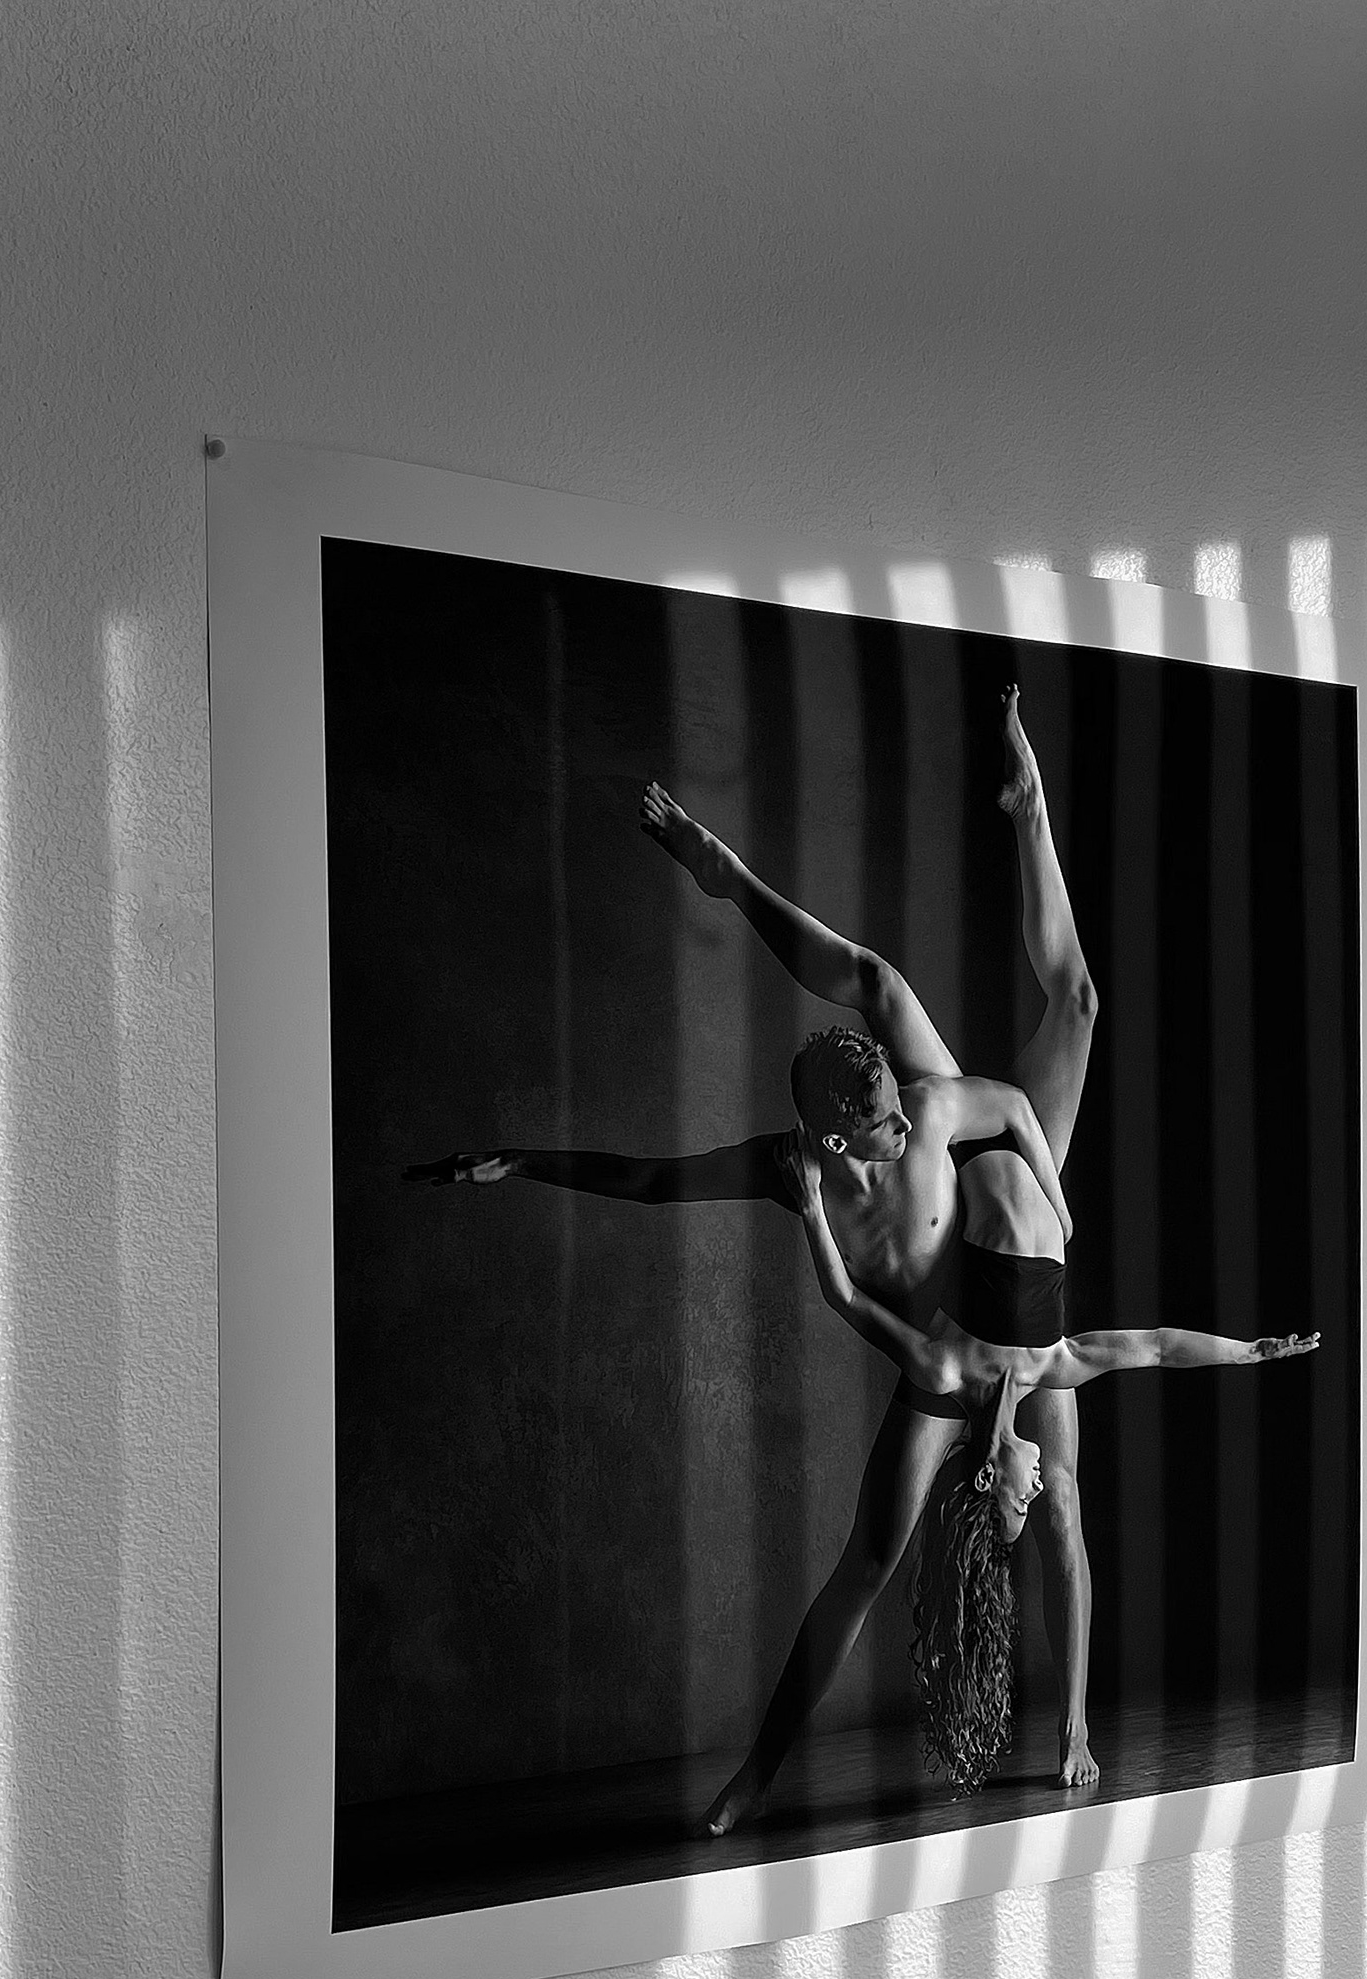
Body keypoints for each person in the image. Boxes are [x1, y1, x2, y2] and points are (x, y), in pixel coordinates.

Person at [409, 690, 1104, 1825]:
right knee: (868, 1562)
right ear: (835, 1140)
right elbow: (652, 1180)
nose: (903, 1107)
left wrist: (727, 875)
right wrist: (525, 1161)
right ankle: (758, 1775)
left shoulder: (926, 1105)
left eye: (898, 1095)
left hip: (1017, 1266)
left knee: (1056, 998)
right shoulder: (797, 1171)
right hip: (942, 1360)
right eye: (879, 1114)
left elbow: (984, 1084)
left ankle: (1073, 1721)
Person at [779, 1131, 1316, 1785]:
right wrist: (1249, 1352)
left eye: (1018, 1504)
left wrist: (811, 1203)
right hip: (1039, 1154)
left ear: (987, 1475)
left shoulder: (946, 1369)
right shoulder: (1054, 1365)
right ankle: (1073, 1729)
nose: (1033, 1493)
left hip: (972, 1140)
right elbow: (1155, 1347)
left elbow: (847, 1299)